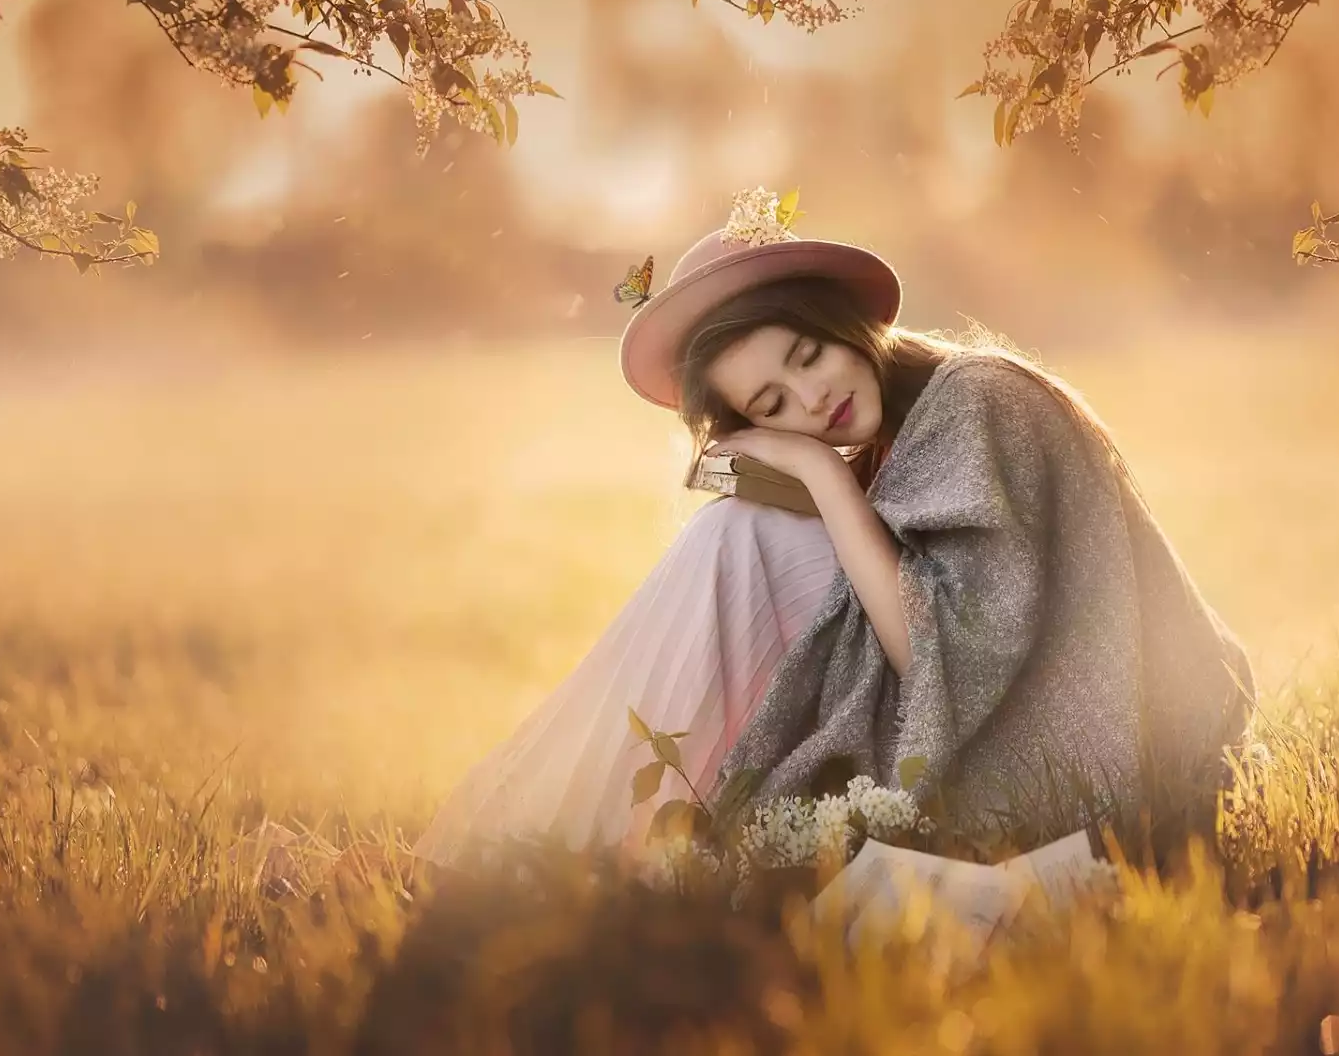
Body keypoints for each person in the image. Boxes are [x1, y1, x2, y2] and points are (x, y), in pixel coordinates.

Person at [409, 187, 1255, 868]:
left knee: (731, 538)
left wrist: (815, 471)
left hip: (1079, 747)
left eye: (808, 357)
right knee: (735, 531)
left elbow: (936, 655)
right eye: (773, 407)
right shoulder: (892, 441)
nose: (813, 402)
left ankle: (551, 842)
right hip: (980, 717)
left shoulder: (978, 396)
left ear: (844, 324)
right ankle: (575, 838)